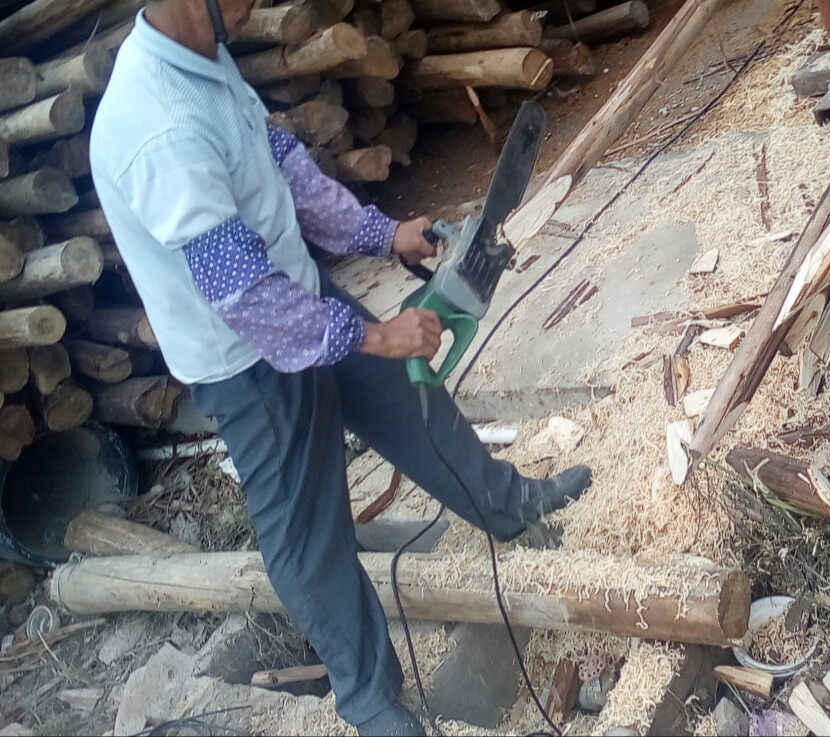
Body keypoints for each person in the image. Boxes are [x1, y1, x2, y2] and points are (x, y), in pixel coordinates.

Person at [89, 0, 593, 734]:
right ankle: (370, 698)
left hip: (291, 291)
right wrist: (375, 335)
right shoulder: (158, 129)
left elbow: (282, 167)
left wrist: (382, 235)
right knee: (308, 532)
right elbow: (245, 295)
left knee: (408, 401)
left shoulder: (201, 55)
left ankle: (509, 506)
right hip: (243, 354)